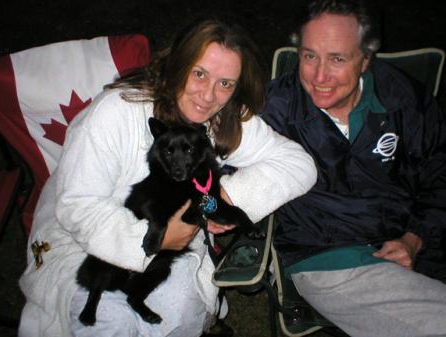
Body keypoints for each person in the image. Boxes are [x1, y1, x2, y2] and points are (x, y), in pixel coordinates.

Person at [18, 16, 317, 337]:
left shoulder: (222, 118)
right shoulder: (115, 113)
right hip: (87, 241)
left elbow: (297, 165)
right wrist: (151, 241)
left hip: (177, 240)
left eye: (225, 83)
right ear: (178, 64)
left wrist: (222, 199)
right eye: (199, 74)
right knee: (110, 323)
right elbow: (77, 206)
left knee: (177, 312)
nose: (208, 95)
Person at [260, 0, 446, 336]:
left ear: (366, 58)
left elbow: (440, 174)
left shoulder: (404, 100)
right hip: (330, 258)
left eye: (337, 58)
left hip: (412, 238)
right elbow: (224, 170)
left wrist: (416, 237)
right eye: (309, 55)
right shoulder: (275, 112)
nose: (319, 76)